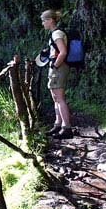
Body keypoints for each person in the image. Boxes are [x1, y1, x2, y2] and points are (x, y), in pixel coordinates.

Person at [41, 9, 74, 139]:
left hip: (59, 68)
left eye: (44, 21)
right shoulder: (55, 34)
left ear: (50, 20)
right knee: (56, 98)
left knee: (59, 98)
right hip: (57, 67)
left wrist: (55, 66)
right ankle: (58, 124)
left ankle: (67, 128)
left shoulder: (57, 34)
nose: (43, 23)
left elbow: (63, 52)